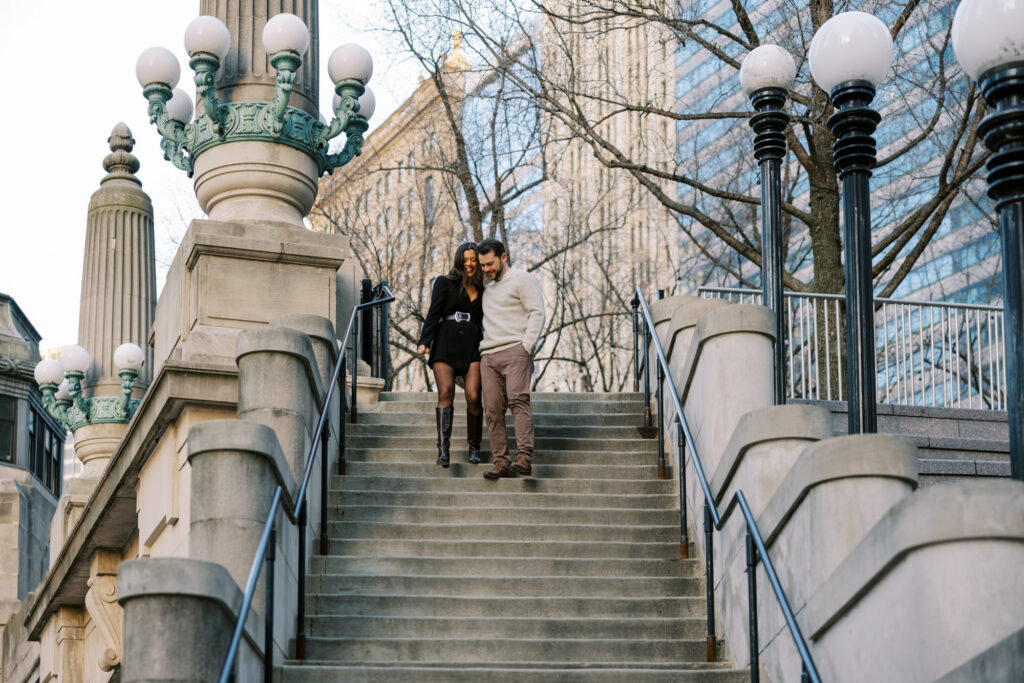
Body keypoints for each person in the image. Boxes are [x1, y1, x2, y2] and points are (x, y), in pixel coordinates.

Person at [475, 239, 546, 479]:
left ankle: (524, 457)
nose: (486, 270)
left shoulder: (522, 279)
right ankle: (501, 462)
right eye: (483, 266)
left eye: (490, 264)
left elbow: (537, 312)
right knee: (493, 410)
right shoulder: (487, 289)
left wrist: (526, 346)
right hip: (489, 356)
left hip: (516, 350)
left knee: (518, 401)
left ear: (503, 257)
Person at [417, 242, 485, 467]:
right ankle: (443, 450)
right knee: (446, 392)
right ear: (458, 261)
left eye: (473, 259)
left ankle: (474, 448)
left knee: (474, 396)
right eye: (465, 259)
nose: (469, 263)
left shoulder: (485, 289)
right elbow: (434, 312)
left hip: (473, 345)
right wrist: (425, 340)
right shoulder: (444, 282)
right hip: (445, 342)